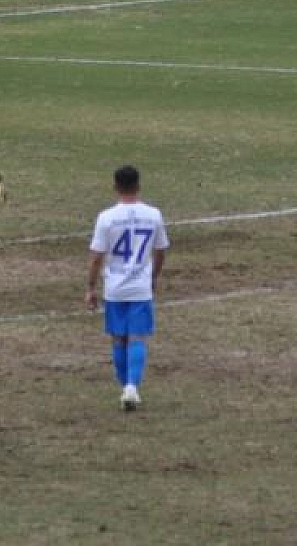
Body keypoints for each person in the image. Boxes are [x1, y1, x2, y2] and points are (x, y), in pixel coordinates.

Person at [86, 164, 169, 412]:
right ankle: (131, 387)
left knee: (118, 339)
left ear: (115, 187)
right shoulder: (153, 215)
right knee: (137, 337)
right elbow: (161, 249)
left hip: (115, 287)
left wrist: (90, 287)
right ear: (138, 186)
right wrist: (154, 275)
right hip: (140, 286)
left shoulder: (106, 218)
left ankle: (126, 387)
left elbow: (96, 256)